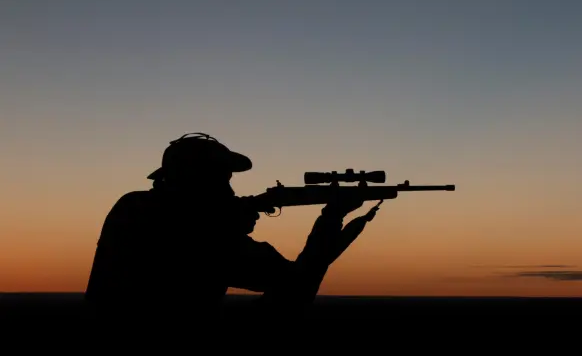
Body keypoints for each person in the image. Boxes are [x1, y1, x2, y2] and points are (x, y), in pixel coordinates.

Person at [84, 132, 379, 323]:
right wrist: (332, 217)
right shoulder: (196, 228)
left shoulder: (131, 206)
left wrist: (237, 216)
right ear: (198, 179)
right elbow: (295, 286)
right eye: (221, 179)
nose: (228, 189)